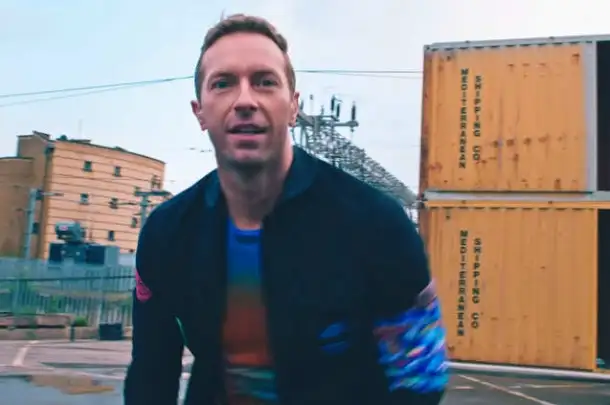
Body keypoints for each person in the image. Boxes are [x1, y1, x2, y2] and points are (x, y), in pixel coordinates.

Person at [123, 13, 448, 405]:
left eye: (265, 81)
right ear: (200, 112)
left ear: (293, 106)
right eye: (223, 83)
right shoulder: (167, 233)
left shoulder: (376, 223)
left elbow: (420, 378)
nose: (245, 100)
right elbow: (151, 373)